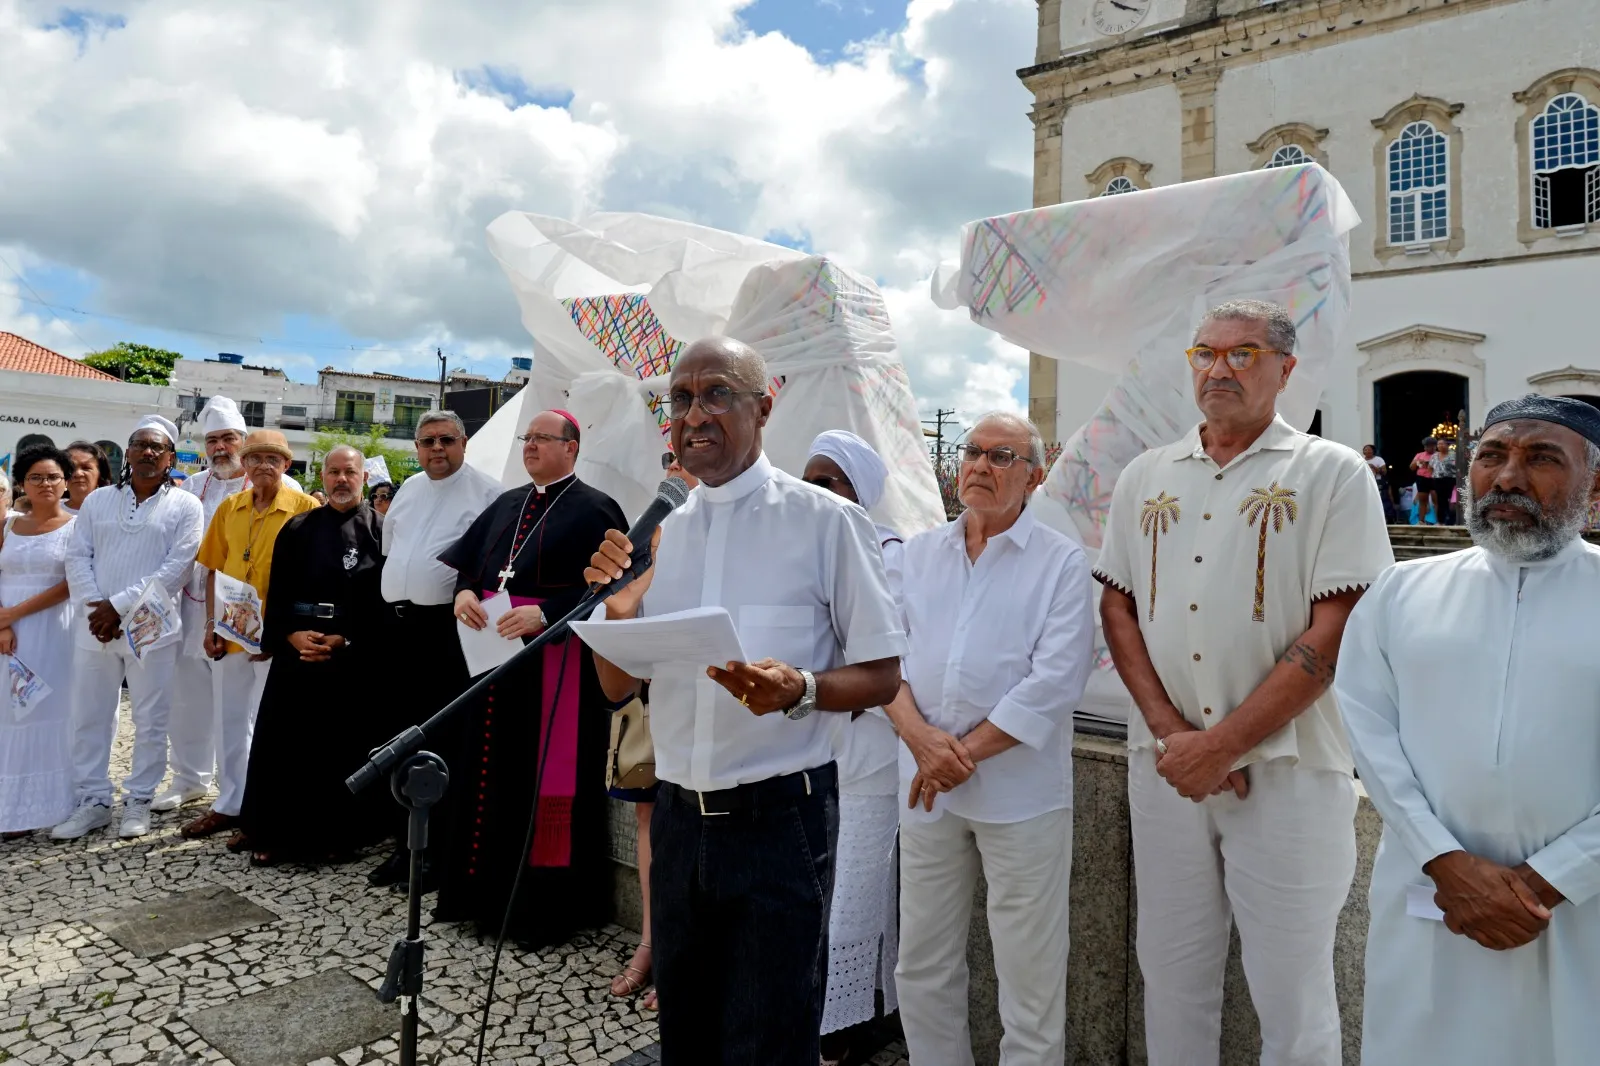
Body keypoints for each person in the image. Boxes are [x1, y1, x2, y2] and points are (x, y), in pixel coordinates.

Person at [584, 337, 905, 1066]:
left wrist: (804, 689)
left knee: (768, 1041)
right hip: (676, 822)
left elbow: (883, 674)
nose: (694, 413)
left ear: (765, 407)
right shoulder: (662, 533)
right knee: (687, 1039)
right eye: (681, 398)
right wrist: (617, 602)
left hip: (778, 824)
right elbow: (615, 686)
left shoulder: (827, 522)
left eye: (716, 393)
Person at [1095, 300, 1393, 1066]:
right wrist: (1174, 737)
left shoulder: (1331, 474)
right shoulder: (1145, 475)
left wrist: (1221, 745)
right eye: (1205, 354)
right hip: (1163, 768)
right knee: (1170, 975)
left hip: (1290, 770)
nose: (1219, 369)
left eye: (1244, 354)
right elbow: (1118, 604)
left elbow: (1339, 629)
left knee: (1292, 992)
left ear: (1286, 369)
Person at [1336, 394, 1600, 1066]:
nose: (1508, 478)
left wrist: (1549, 881)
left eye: (1541, 458)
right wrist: (1448, 866)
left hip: (1579, 912)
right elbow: (1369, 734)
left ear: (1594, 484)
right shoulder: (1400, 593)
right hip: (1433, 902)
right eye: (1491, 455)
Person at [886, 413, 1093, 1066]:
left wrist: (957, 756)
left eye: (1001, 456)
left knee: (1029, 977)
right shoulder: (916, 556)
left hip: (1020, 798)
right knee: (922, 962)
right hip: (925, 791)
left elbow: (1054, 682)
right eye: (972, 452)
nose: (979, 465)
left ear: (1033, 477)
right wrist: (923, 743)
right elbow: (881, 661)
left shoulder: (1061, 563)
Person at [431, 408, 628, 946]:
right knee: (484, 777)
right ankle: (476, 897)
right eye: (528, 437)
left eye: (543, 438)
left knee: (536, 782)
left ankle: (539, 912)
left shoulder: (596, 508)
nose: (531, 445)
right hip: (491, 670)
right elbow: (472, 573)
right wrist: (465, 595)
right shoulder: (507, 503)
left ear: (572, 447)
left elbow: (614, 589)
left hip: (552, 672)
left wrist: (549, 613)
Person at [800, 430, 909, 1065]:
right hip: (816, 748)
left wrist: (828, 684)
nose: (815, 492)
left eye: (828, 481)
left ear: (859, 491)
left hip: (869, 749)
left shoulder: (891, 554)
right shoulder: (808, 551)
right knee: (823, 890)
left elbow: (893, 653)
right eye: (808, 480)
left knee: (858, 892)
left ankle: (844, 1021)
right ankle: (852, 1008)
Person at [368, 410, 503, 888]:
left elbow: (494, 568)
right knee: (396, 735)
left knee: (438, 740)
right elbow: (392, 552)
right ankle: (402, 847)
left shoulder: (488, 492)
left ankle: (434, 853)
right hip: (398, 628)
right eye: (427, 442)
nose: (436, 449)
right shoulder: (407, 490)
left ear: (463, 442)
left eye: (446, 440)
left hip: (445, 633)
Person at [238, 445, 390, 865]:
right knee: (285, 747)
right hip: (297, 652)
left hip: (348, 658)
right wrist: (289, 635)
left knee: (340, 749)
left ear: (364, 477)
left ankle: (338, 837)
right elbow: (279, 591)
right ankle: (274, 832)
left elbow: (385, 601)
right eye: (333, 472)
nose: (341, 480)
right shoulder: (297, 527)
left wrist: (347, 639)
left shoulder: (382, 530)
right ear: (321, 477)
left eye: (350, 472)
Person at [54, 416, 204, 840]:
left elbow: (176, 568)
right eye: (140, 444)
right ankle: (94, 800)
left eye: (158, 447)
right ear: (128, 452)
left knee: (151, 717)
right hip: (94, 625)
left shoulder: (186, 505)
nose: (149, 452)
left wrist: (117, 607)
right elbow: (77, 557)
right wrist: (96, 608)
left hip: (152, 626)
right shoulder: (100, 500)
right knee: (90, 715)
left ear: (171, 457)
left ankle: (139, 799)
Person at [180, 429, 318, 845]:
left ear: (286, 465)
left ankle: (265, 809)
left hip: (276, 640)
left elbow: (312, 580)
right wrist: (210, 626)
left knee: (273, 727)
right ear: (244, 463)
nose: (262, 466)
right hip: (231, 633)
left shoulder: (305, 510)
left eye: (272, 460)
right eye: (255, 458)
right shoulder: (229, 508)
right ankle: (230, 803)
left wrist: (280, 634)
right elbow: (212, 571)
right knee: (230, 722)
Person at [608, 450, 699, 1013]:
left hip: (701, 702)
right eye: (668, 455)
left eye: (685, 459)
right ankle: (650, 942)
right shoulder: (649, 528)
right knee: (650, 820)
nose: (675, 465)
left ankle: (680, 956)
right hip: (645, 699)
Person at [156, 397, 249, 813]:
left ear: (243, 441)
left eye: (228, 438)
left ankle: (240, 788)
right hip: (190, 608)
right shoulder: (190, 488)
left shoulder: (281, 487)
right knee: (187, 697)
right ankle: (189, 779)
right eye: (213, 440)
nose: (220, 448)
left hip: (244, 612)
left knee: (238, 702)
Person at [0, 446, 79, 838]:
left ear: (66, 482)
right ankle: (7, 805)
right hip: (6, 634)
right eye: (36, 477)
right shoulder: (7, 526)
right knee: (7, 712)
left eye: (52, 477)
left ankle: (44, 804)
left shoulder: (78, 526)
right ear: (21, 483)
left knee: (45, 709)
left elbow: (69, 584)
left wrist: (17, 612)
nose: (45, 484)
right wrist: (3, 621)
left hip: (53, 630)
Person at [63, 441, 113, 513]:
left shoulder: (112, 512)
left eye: (86, 468)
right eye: (71, 468)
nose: (77, 473)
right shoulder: (48, 509)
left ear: (100, 475)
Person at [1362, 443, 1396, 524]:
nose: (1367, 451)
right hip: (1367, 482)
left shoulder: (1378, 459)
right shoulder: (1361, 460)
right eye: (1365, 450)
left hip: (1378, 482)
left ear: (1373, 451)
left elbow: (1384, 472)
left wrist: (1373, 467)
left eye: (1369, 449)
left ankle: (1389, 517)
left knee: (1384, 499)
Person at [1430, 436, 1457, 525]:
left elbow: (1459, 467)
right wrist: (1432, 476)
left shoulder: (1453, 454)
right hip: (1437, 480)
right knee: (1441, 500)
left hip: (1450, 479)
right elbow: (1430, 468)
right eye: (1438, 444)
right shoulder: (1434, 456)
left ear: (1447, 445)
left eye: (1442, 443)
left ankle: (1452, 520)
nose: (1440, 445)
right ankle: (1441, 521)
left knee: (1451, 500)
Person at [1411, 436, 1438, 524]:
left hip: (1434, 478)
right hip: (1422, 478)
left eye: (1432, 445)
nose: (1430, 447)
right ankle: (1421, 521)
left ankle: (1439, 521)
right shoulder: (1419, 455)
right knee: (1423, 500)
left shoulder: (1438, 455)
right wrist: (1417, 462)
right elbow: (1411, 467)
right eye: (1428, 446)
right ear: (1424, 446)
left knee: (1436, 499)